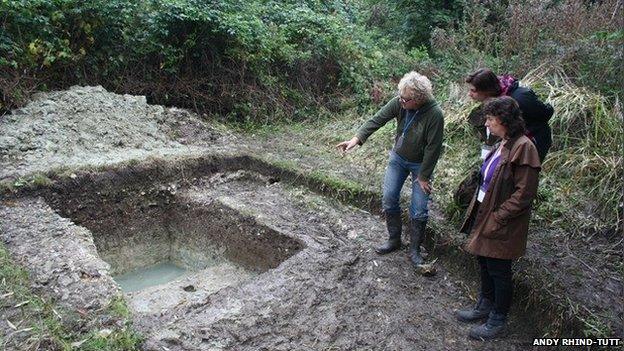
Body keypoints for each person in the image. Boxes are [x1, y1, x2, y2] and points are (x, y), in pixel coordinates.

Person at [336, 71, 444, 267]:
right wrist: (356, 139)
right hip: (398, 159)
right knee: (389, 197)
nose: (401, 101)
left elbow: (433, 148)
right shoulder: (400, 102)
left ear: (419, 99)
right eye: (400, 97)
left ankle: (414, 250)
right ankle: (394, 239)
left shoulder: (434, 114)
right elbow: (377, 120)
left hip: (421, 165)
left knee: (419, 210)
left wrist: (424, 176)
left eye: (406, 99)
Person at [456, 96, 541, 340]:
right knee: (484, 260)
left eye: (491, 119)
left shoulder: (524, 147)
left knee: (499, 269)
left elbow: (524, 193)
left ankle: (498, 319)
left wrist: (499, 216)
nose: (487, 123)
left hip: (502, 220)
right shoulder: (502, 142)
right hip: (485, 212)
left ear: (504, 120)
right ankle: (484, 305)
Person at [454, 68, 553, 208]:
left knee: (516, 180)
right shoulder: (492, 101)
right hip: (510, 141)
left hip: (533, 140)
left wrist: (525, 129)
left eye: (473, 90)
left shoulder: (521, 98)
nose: (469, 94)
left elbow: (546, 112)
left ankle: (507, 211)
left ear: (486, 90)